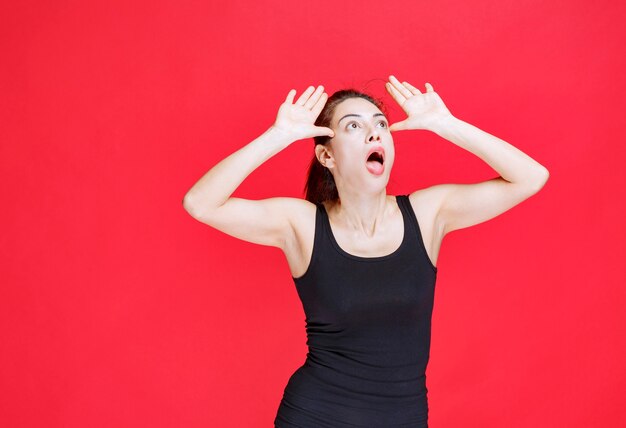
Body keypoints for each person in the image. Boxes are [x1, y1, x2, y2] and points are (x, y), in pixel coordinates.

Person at [182, 75, 549, 427]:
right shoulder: (303, 225)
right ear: (327, 156)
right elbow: (201, 204)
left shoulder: (427, 214)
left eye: (381, 125)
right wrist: (277, 136)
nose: (375, 131)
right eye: (353, 126)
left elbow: (531, 177)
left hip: (403, 419)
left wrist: (445, 123)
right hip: (315, 416)